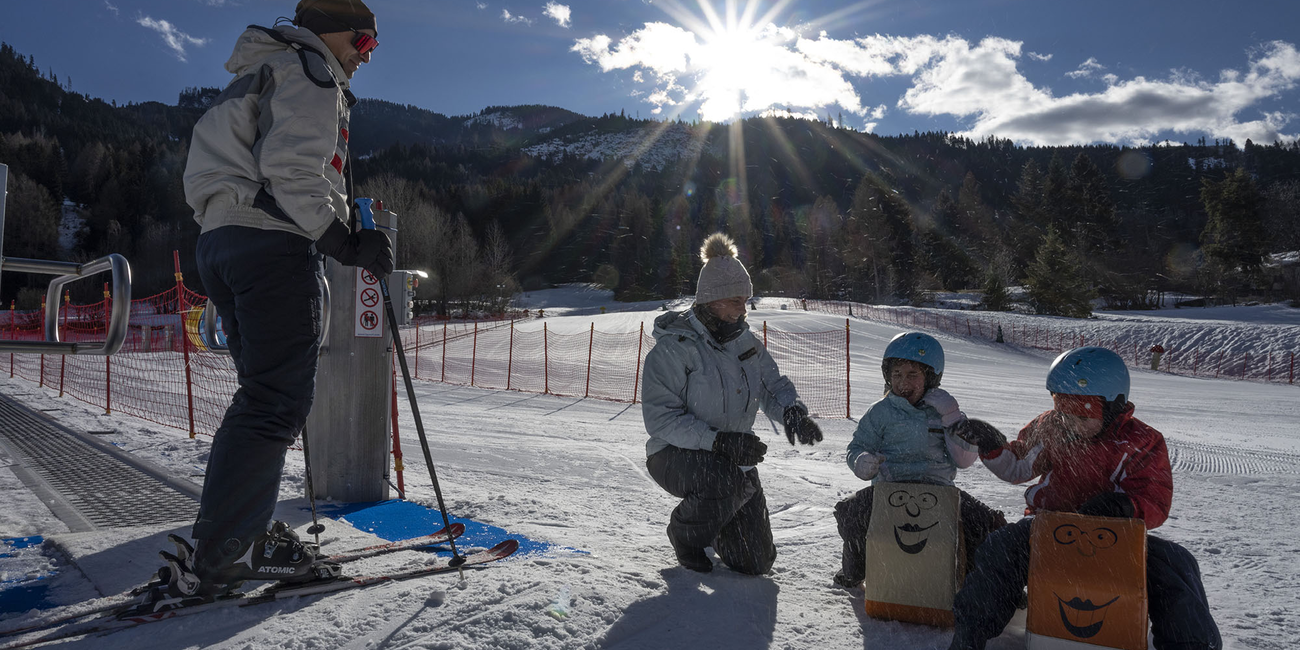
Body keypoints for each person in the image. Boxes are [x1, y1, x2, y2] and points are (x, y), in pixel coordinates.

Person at [162, 0, 393, 600]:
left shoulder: (255, 71)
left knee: (261, 398)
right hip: (271, 244)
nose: (364, 56)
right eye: (363, 42)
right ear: (332, 32)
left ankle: (231, 533)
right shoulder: (310, 71)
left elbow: (214, 171)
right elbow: (292, 169)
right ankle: (233, 550)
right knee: (275, 402)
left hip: (221, 241)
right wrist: (345, 240)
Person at [948, 347, 1221, 650]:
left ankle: (1192, 645)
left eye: (1082, 416)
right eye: (1064, 412)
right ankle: (970, 631)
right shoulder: (1053, 427)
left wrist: (1124, 506)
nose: (1071, 424)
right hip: (1049, 529)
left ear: (1113, 406)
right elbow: (1018, 466)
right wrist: (993, 444)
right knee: (1000, 548)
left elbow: (1155, 498)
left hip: (1116, 540)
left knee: (1177, 565)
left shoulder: (1140, 441)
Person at [641, 233, 823, 575]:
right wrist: (718, 441)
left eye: (745, 300)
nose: (744, 309)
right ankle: (686, 535)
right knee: (723, 481)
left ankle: (717, 524)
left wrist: (792, 412)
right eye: (737, 301)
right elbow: (661, 420)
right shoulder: (675, 347)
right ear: (713, 300)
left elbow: (771, 386)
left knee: (755, 561)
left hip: (730, 455)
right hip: (673, 454)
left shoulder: (744, 340)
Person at [833, 332, 1008, 589]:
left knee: (979, 520)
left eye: (912, 374)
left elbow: (963, 460)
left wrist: (952, 416)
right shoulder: (880, 411)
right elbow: (858, 445)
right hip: (890, 490)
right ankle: (856, 569)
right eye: (897, 374)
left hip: (940, 492)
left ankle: (977, 580)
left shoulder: (945, 410)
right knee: (852, 512)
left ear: (931, 377)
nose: (903, 382)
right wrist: (860, 460)